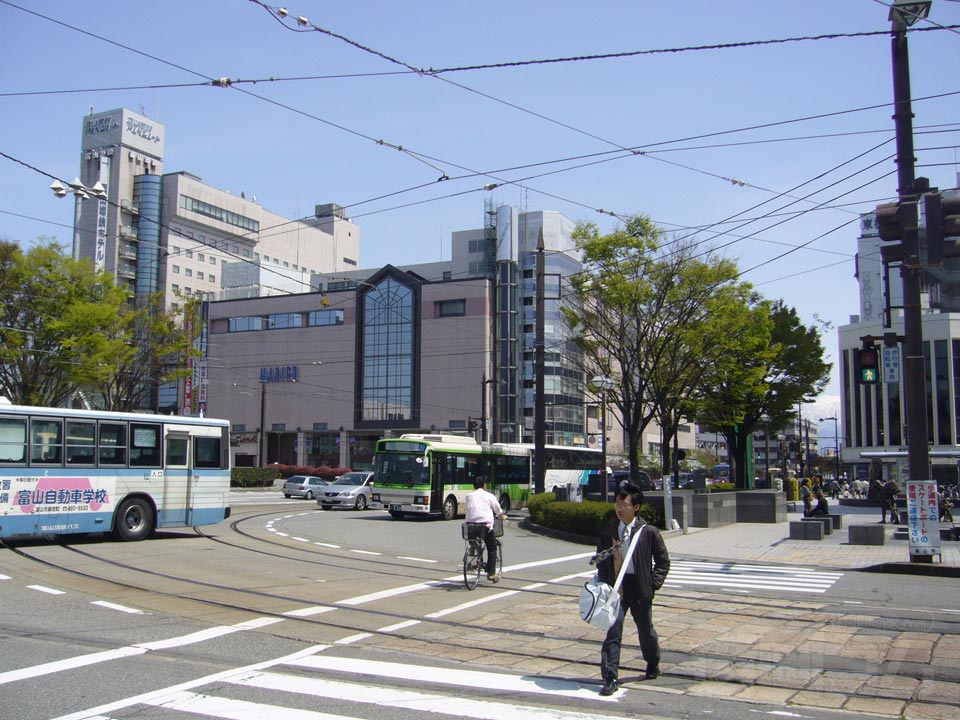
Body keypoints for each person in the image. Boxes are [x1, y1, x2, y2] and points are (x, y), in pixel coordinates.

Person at [595, 483, 670, 696]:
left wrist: (652, 583)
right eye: (617, 503)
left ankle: (653, 662)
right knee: (613, 631)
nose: (619, 508)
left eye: (624, 504)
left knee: (646, 631)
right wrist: (605, 581)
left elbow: (663, 562)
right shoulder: (609, 531)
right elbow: (601, 560)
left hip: (640, 587)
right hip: (617, 588)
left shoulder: (648, 532)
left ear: (636, 507)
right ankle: (610, 677)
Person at [464, 477, 507, 583]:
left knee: (474, 540)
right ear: (484, 485)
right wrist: (502, 516)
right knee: (492, 548)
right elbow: (497, 509)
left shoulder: (468, 496)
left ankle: (473, 552)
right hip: (485, 528)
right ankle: (491, 573)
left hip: (470, 527)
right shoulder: (489, 496)